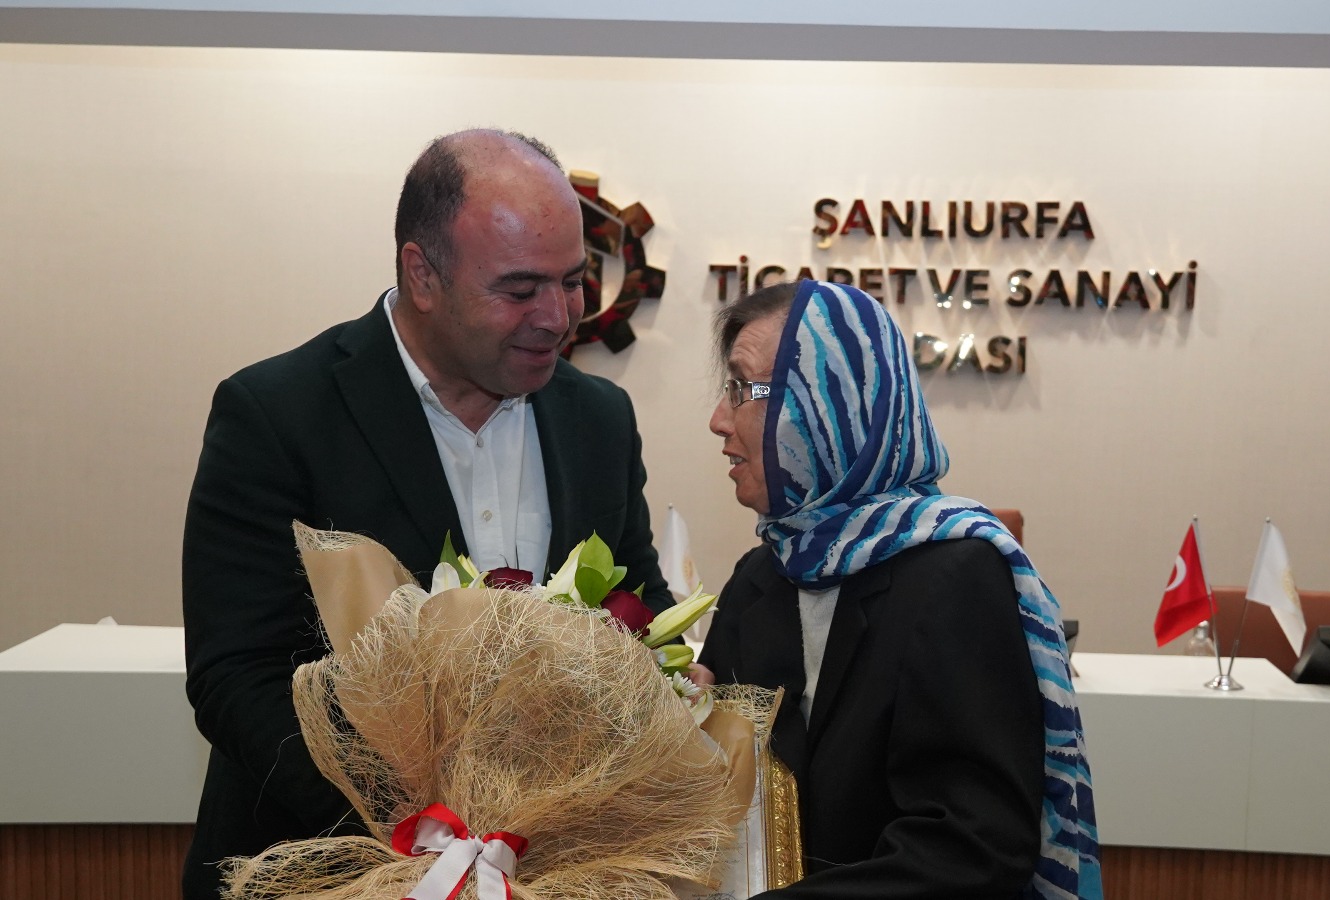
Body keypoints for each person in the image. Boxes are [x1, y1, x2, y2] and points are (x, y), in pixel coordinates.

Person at [180, 129, 671, 899]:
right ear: (423, 275)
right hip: (326, 872)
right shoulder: (278, 414)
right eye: (519, 289)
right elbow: (238, 677)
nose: (558, 315)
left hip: (552, 874)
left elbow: (637, 611)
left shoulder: (599, 419)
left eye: (573, 280)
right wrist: (420, 840)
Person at [699, 280, 1101, 899]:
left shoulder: (956, 576)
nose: (718, 420)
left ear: (828, 406)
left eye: (741, 389)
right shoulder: (759, 575)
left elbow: (973, 847)